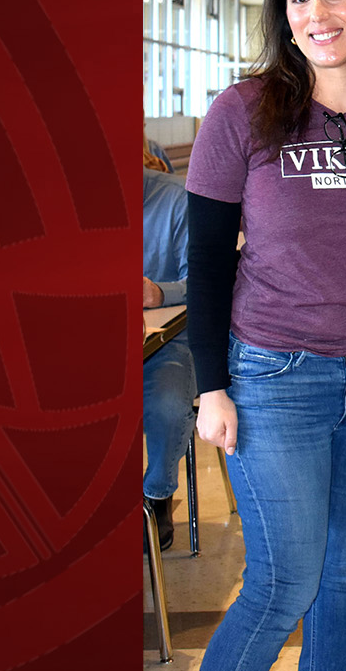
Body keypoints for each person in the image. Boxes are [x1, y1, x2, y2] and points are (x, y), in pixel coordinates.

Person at [186, 0, 346, 671]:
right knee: (284, 582)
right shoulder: (241, 112)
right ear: (285, 18)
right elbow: (208, 261)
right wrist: (210, 386)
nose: (318, 12)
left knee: (345, 574)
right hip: (273, 378)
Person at [143, 156, 194, 551]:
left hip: (170, 341)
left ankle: (156, 496)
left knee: (167, 405)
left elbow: (204, 281)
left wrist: (160, 292)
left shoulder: (176, 199)